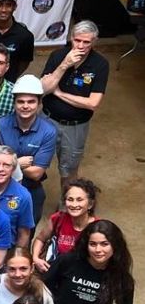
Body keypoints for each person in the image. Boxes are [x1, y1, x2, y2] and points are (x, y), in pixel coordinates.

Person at [40, 20, 109, 188]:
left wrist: (59, 93)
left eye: (87, 42)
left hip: (75, 126)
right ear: (71, 38)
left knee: (69, 170)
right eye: (77, 40)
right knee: (36, 163)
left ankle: (66, 207)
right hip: (47, 119)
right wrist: (64, 65)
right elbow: (42, 88)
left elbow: (93, 103)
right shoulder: (58, 55)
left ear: (94, 42)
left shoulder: (100, 64)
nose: (81, 45)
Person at [0, 74, 57, 224]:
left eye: (31, 102)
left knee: (27, 231)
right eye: (21, 101)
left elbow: (36, 173)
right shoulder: (0, 125)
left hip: (31, 187)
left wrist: (8, 162)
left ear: (39, 103)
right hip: (0, 186)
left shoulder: (48, 131)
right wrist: (17, 162)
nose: (25, 106)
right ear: (14, 103)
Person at [32, 177, 98, 272]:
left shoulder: (98, 227)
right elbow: (40, 239)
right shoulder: (58, 219)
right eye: (70, 199)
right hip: (57, 273)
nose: (74, 205)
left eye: (79, 200)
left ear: (90, 204)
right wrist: (35, 258)